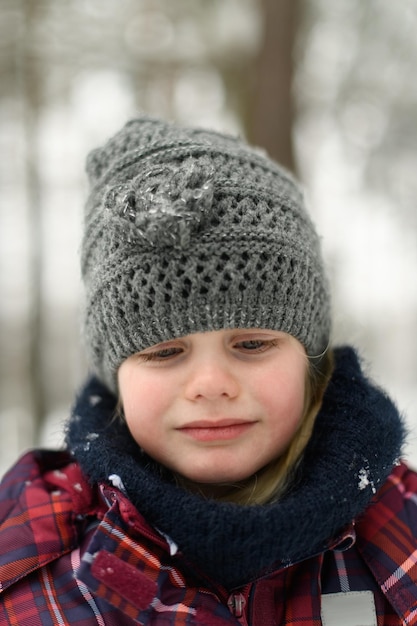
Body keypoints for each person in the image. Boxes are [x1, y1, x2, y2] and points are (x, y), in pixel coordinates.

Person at [0, 116, 416, 626]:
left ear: (308, 357)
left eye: (252, 343)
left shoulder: (402, 528)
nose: (211, 385)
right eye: (164, 352)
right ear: (116, 375)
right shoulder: (29, 564)